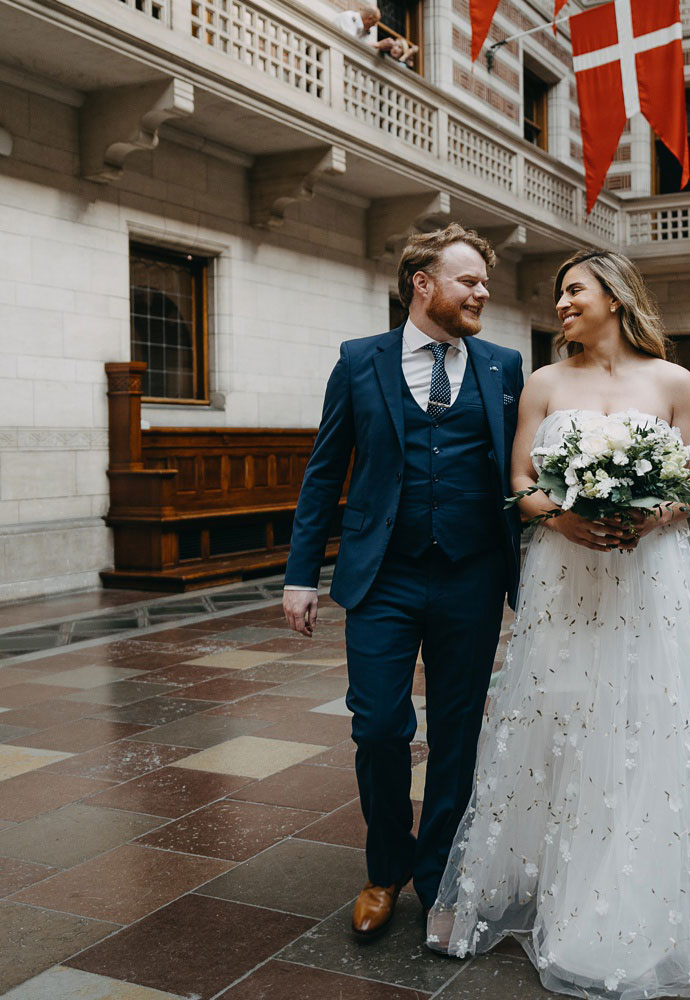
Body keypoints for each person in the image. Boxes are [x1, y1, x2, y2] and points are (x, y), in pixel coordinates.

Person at [427, 249, 690, 998]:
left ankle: (624, 897)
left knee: (640, 724)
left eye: (573, 291)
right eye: (559, 294)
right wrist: (561, 518)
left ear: (614, 298)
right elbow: (519, 480)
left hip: (649, 574)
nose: (560, 304)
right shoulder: (545, 383)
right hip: (564, 572)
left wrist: (657, 510)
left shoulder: (673, 381)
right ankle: (530, 879)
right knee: (559, 716)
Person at [282, 224, 524, 940]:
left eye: (484, 282)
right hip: (382, 577)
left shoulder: (503, 366)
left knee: (457, 734)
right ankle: (384, 868)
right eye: (468, 280)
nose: (482, 292)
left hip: (471, 577)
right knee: (380, 726)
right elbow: (325, 473)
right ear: (423, 284)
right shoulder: (360, 362)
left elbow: (520, 475)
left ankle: (440, 876)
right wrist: (301, 576)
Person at [336, 2, 419, 67]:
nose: (374, 25)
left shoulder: (365, 32)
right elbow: (350, 44)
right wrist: (378, 44)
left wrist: (381, 47)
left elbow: (365, 50)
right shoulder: (348, 17)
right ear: (370, 18)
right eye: (374, 22)